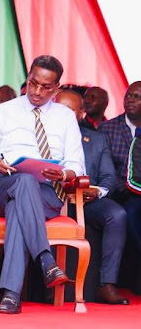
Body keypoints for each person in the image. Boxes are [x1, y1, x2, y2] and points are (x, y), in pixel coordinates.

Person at [0, 55, 84, 314]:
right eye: (33, 83)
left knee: (20, 203)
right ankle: (45, 258)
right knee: (22, 181)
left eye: (45, 87)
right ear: (28, 79)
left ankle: (11, 294)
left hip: (46, 192)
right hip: (0, 187)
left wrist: (65, 174)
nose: (36, 91)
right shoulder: (3, 111)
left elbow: (77, 166)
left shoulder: (66, 117)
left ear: (56, 88)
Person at [54, 90, 129, 305]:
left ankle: (106, 285)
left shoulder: (96, 139)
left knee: (117, 214)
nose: (62, 114)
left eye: (69, 110)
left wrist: (96, 192)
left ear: (80, 114)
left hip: (87, 202)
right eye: (58, 108)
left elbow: (109, 178)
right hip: (50, 201)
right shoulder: (40, 137)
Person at [99, 82, 141, 253]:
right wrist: (126, 191)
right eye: (128, 96)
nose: (130, 100)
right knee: (130, 213)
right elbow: (106, 169)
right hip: (118, 193)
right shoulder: (107, 129)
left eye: (137, 97)